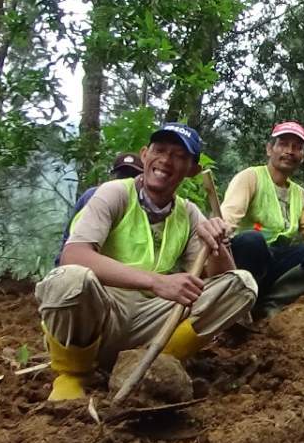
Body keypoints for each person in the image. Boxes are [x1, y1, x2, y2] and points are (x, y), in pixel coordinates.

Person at [35, 123, 256, 401]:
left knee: (242, 285)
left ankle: (150, 364)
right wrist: (157, 282)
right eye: (159, 150)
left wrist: (217, 246)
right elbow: (74, 255)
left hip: (151, 320)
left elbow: (219, 280)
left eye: (178, 155)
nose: (165, 160)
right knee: (68, 279)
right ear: (145, 154)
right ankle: (73, 374)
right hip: (104, 312)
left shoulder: (188, 214)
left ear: (192, 170)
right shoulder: (114, 193)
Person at [221, 121, 304, 319]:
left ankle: (271, 301)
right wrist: (221, 232)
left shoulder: (299, 195)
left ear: (302, 156)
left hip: (276, 263)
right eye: (283, 144)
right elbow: (228, 216)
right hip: (246, 259)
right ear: (270, 149)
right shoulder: (250, 177)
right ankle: (240, 303)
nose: (289, 151)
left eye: (297, 147)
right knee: (252, 241)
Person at [55, 152, 143, 266]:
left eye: (132, 175)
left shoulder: (144, 204)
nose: (125, 180)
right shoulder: (93, 195)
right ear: (112, 176)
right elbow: (71, 238)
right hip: (88, 264)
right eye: (122, 175)